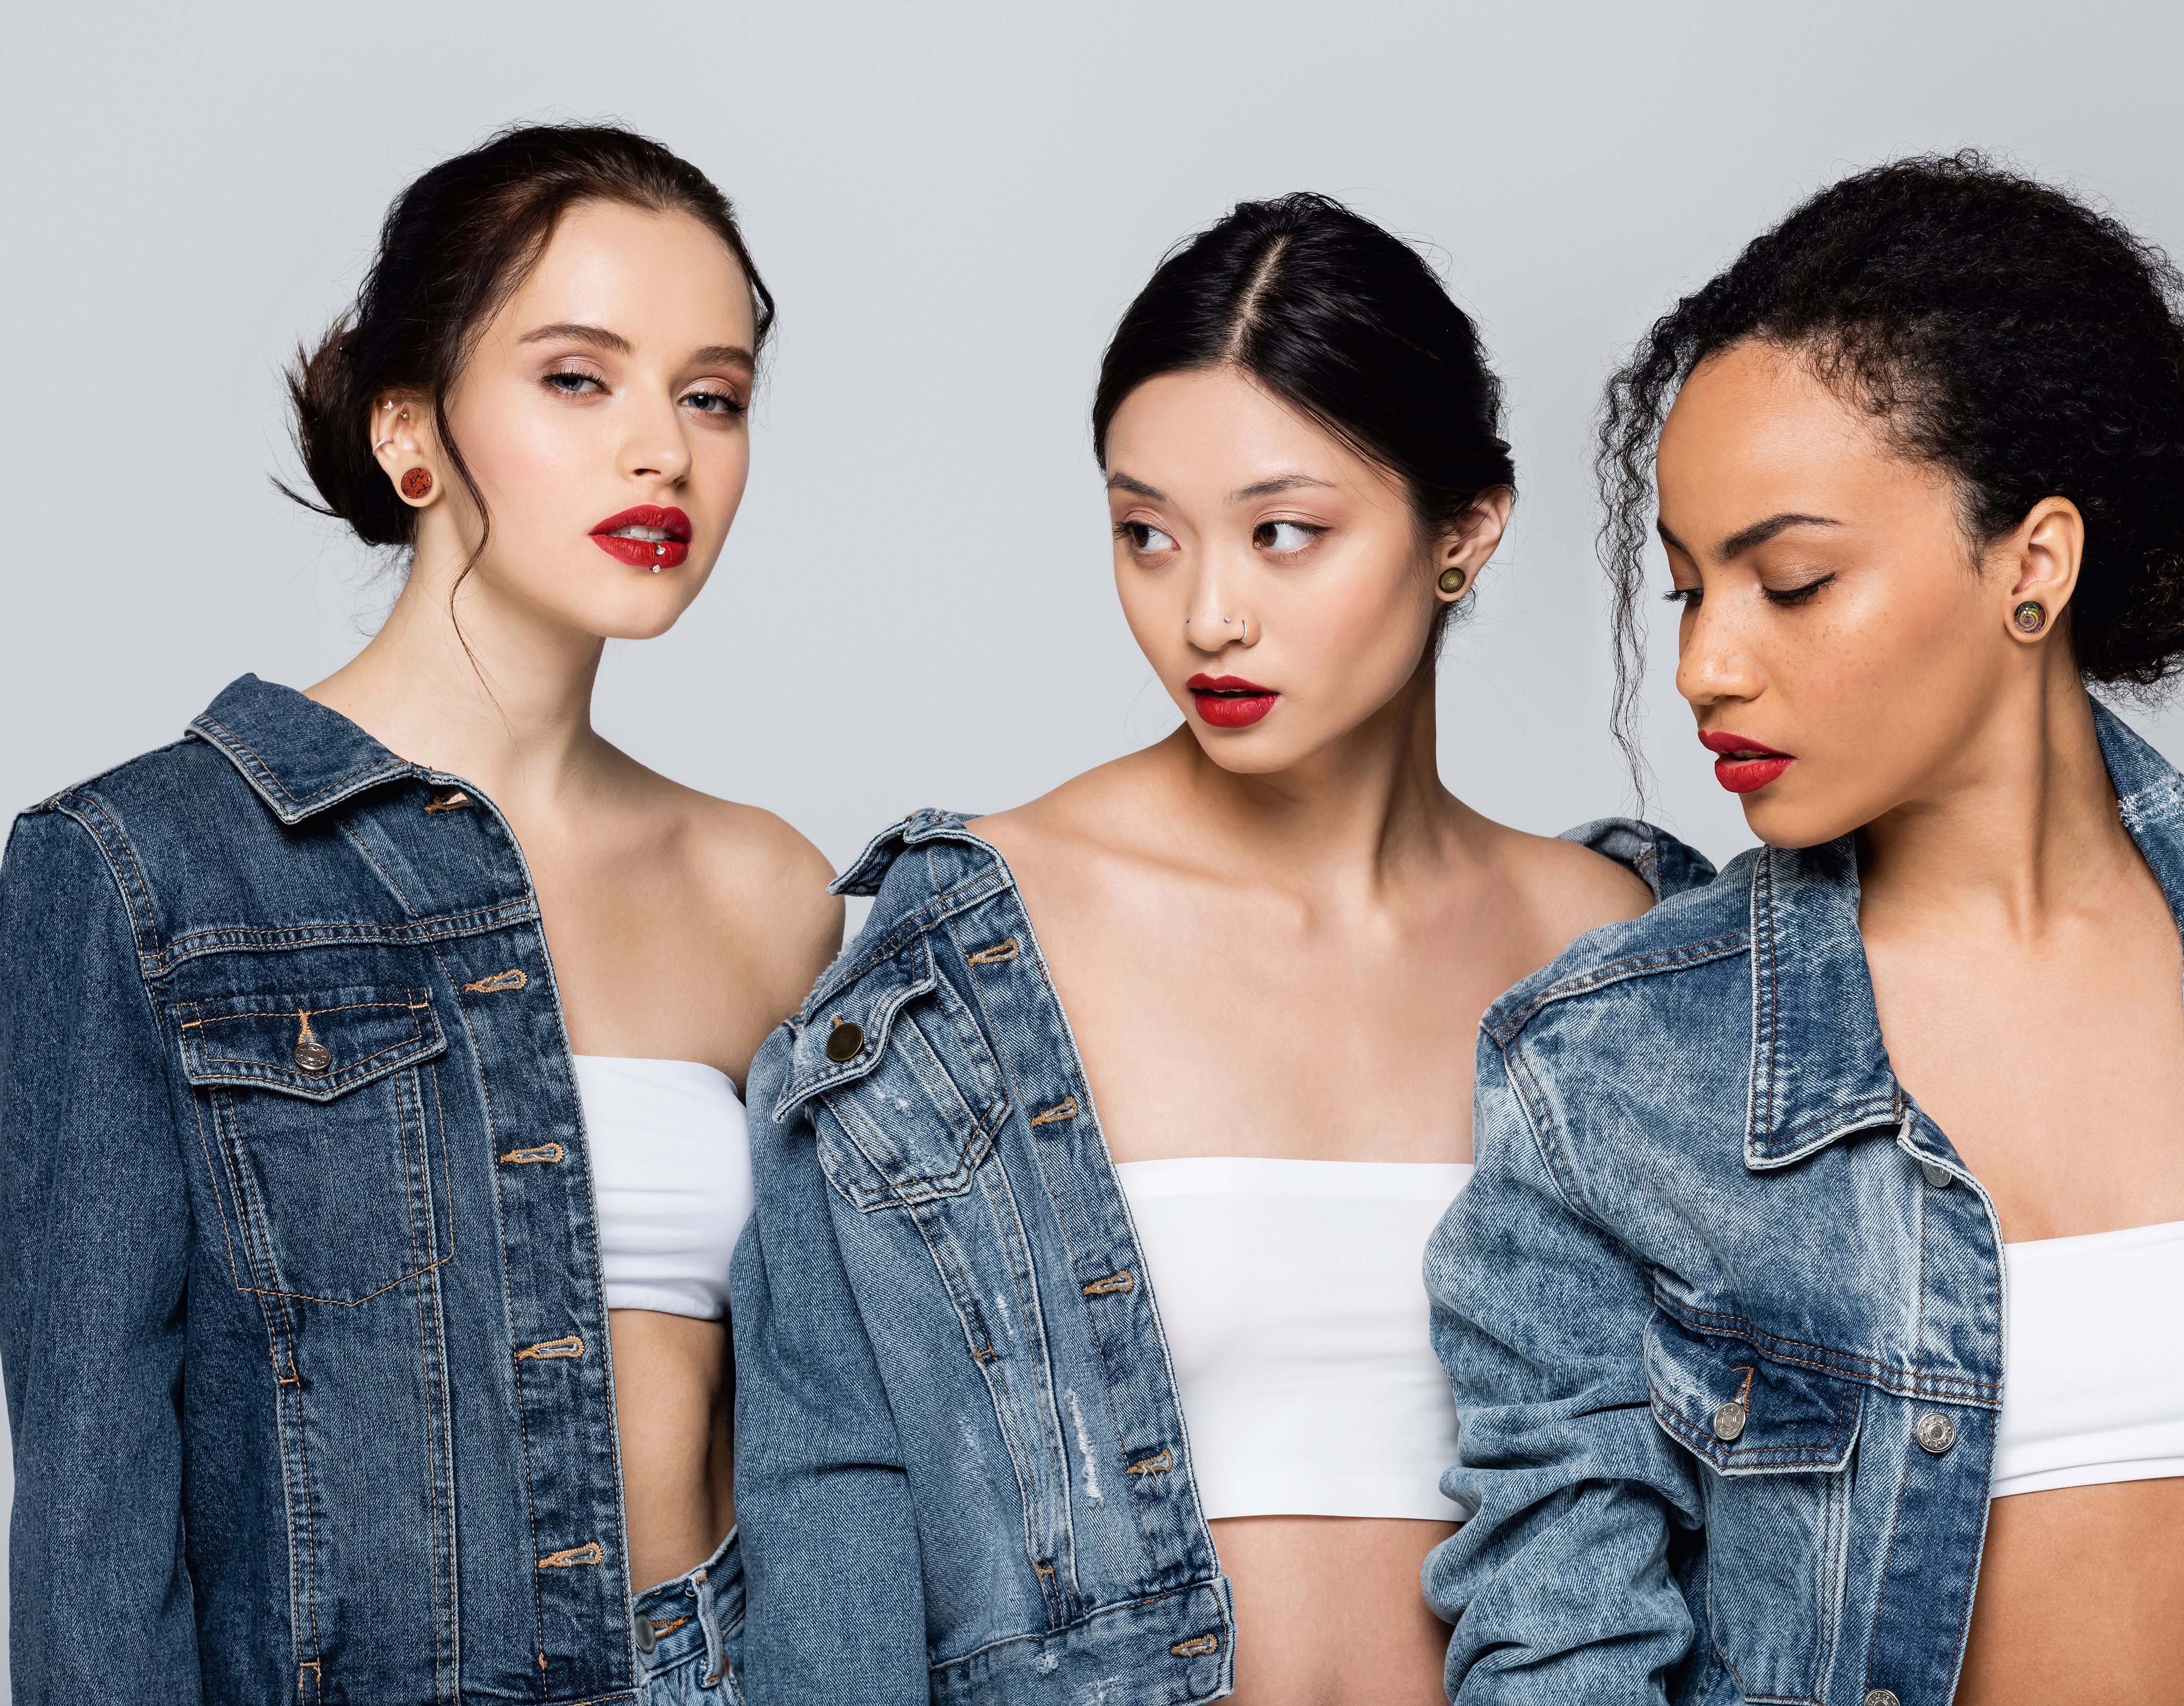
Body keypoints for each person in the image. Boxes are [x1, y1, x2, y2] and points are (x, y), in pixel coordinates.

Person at [1422, 153, 2184, 1706]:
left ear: (2035, 564)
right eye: (1691, 591)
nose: (1707, 666)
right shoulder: (1610, 1068)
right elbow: (1560, 1649)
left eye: (1793, 581)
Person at [732, 192, 1665, 1704]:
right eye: (1145, 534)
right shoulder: (964, 957)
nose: (1207, 613)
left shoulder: (1620, 946)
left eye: (1284, 533)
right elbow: (831, 1484)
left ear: (1466, 530)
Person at [0, 123, 835, 1705]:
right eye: (577, 379)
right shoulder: (139, 870)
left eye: (711, 395)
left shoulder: (769, 893)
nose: (662, 449)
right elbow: (91, 1539)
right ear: (411, 435)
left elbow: (839, 1444)